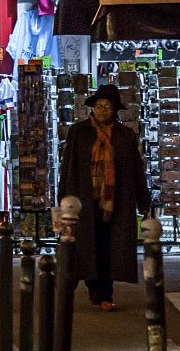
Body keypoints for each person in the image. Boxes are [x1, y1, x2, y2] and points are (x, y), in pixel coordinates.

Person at [58, 85, 151, 310]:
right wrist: (62, 200)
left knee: (110, 248)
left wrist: (143, 200)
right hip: (85, 200)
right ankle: (94, 289)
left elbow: (135, 169)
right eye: (98, 106)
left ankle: (104, 294)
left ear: (114, 110)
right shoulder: (79, 132)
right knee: (87, 246)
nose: (102, 110)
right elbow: (68, 166)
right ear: (92, 108)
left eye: (107, 106)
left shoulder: (124, 135)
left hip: (115, 202)